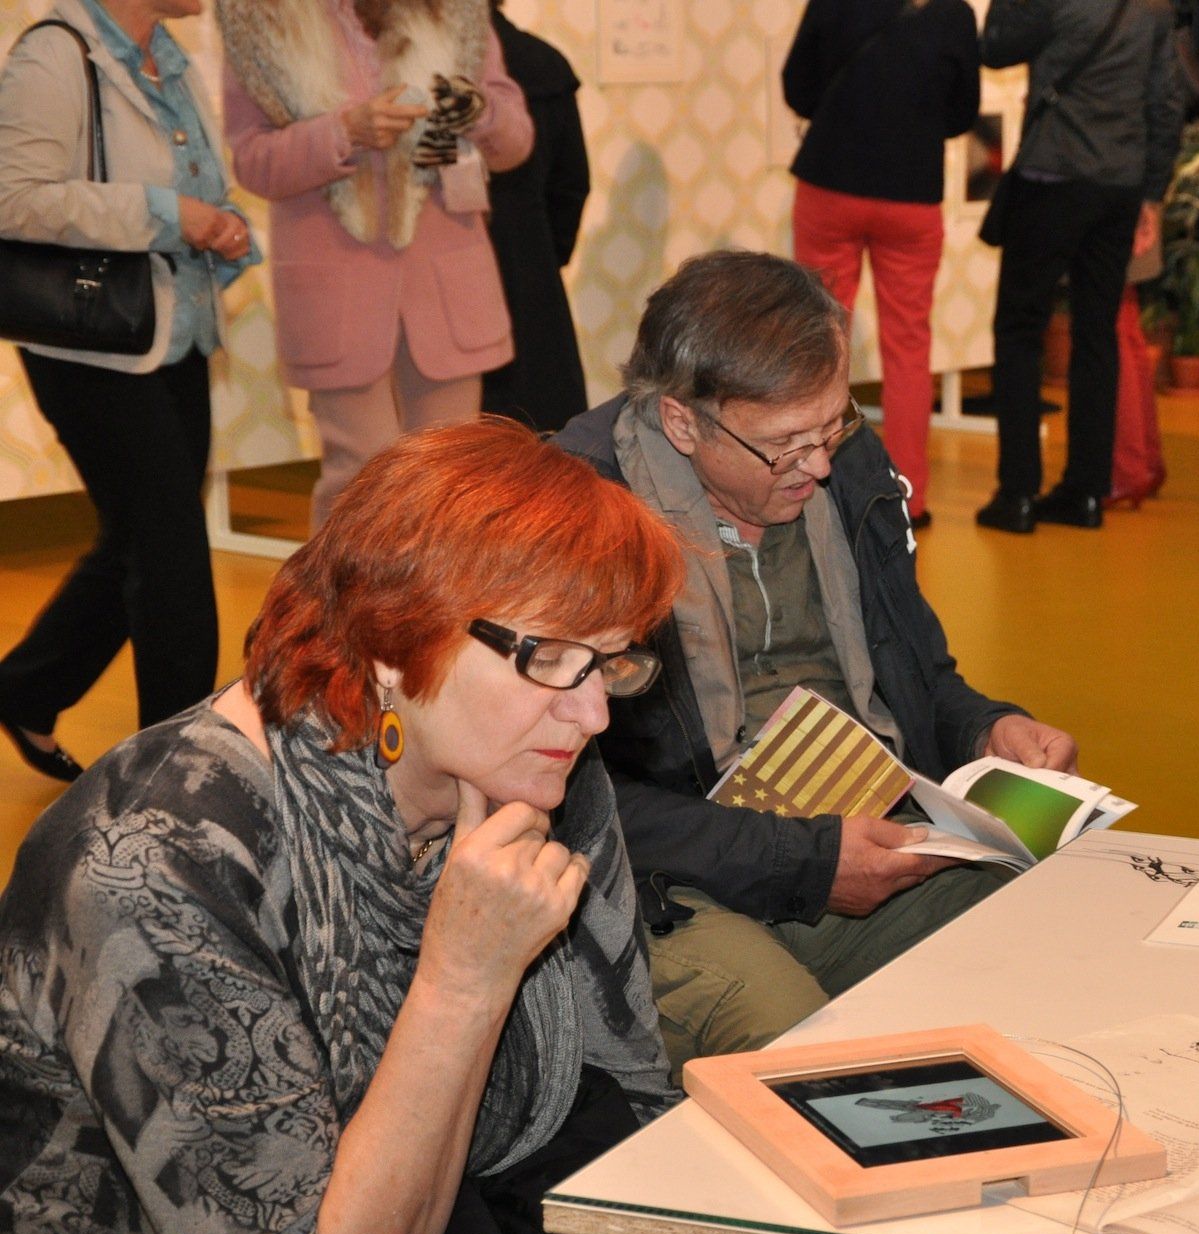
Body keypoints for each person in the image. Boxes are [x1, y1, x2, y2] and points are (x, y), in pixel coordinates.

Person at [0, 420, 774, 1234]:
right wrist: (464, 976)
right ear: (394, 647)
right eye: (552, 658)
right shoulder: (159, 859)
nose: (592, 716)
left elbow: (617, 1083)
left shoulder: (531, 767)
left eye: (612, 665)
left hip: (432, 1214)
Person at [555, 251, 1079, 1063]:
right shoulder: (579, 513)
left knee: (1057, 940)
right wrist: (799, 862)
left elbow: (917, 675)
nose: (821, 464)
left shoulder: (850, 471)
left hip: (853, 832)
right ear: (682, 423)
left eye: (834, 425)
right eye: (785, 446)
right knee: (794, 1047)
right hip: (669, 880)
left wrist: (986, 729)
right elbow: (571, 797)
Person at [0, 0, 255, 782]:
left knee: (140, 543)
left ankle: (26, 688)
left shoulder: (169, 59)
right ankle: (178, 779)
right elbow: (13, 197)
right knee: (173, 561)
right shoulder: (53, 53)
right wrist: (169, 214)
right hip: (88, 347)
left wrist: (222, 223)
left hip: (174, 337)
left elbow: (195, 190)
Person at [220, 0, 532, 530]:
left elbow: (516, 141)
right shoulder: (263, 18)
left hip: (447, 284)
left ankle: (444, 589)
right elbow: (252, 162)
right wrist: (345, 131)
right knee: (360, 479)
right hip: (334, 291)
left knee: (451, 477)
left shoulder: (455, 10)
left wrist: (472, 110)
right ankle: (343, 589)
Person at [974, 0, 1184, 533]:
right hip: (1119, 184)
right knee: (1097, 334)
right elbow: (1166, 103)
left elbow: (995, 47)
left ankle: (1018, 493)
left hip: (1052, 176)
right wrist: (1152, 195)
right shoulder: (1154, 6)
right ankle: (1086, 492)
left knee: (1020, 330)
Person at [783, 0, 980, 526]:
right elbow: (962, 114)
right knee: (909, 346)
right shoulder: (954, 13)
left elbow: (797, 87)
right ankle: (909, 497)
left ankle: (811, 489)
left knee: (818, 340)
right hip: (912, 192)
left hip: (831, 183)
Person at [480, 0, 591, 433]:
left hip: (442, 271)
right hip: (531, 261)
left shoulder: (410, 68)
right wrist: (547, 253)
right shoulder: (544, 63)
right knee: (540, 428)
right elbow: (571, 185)